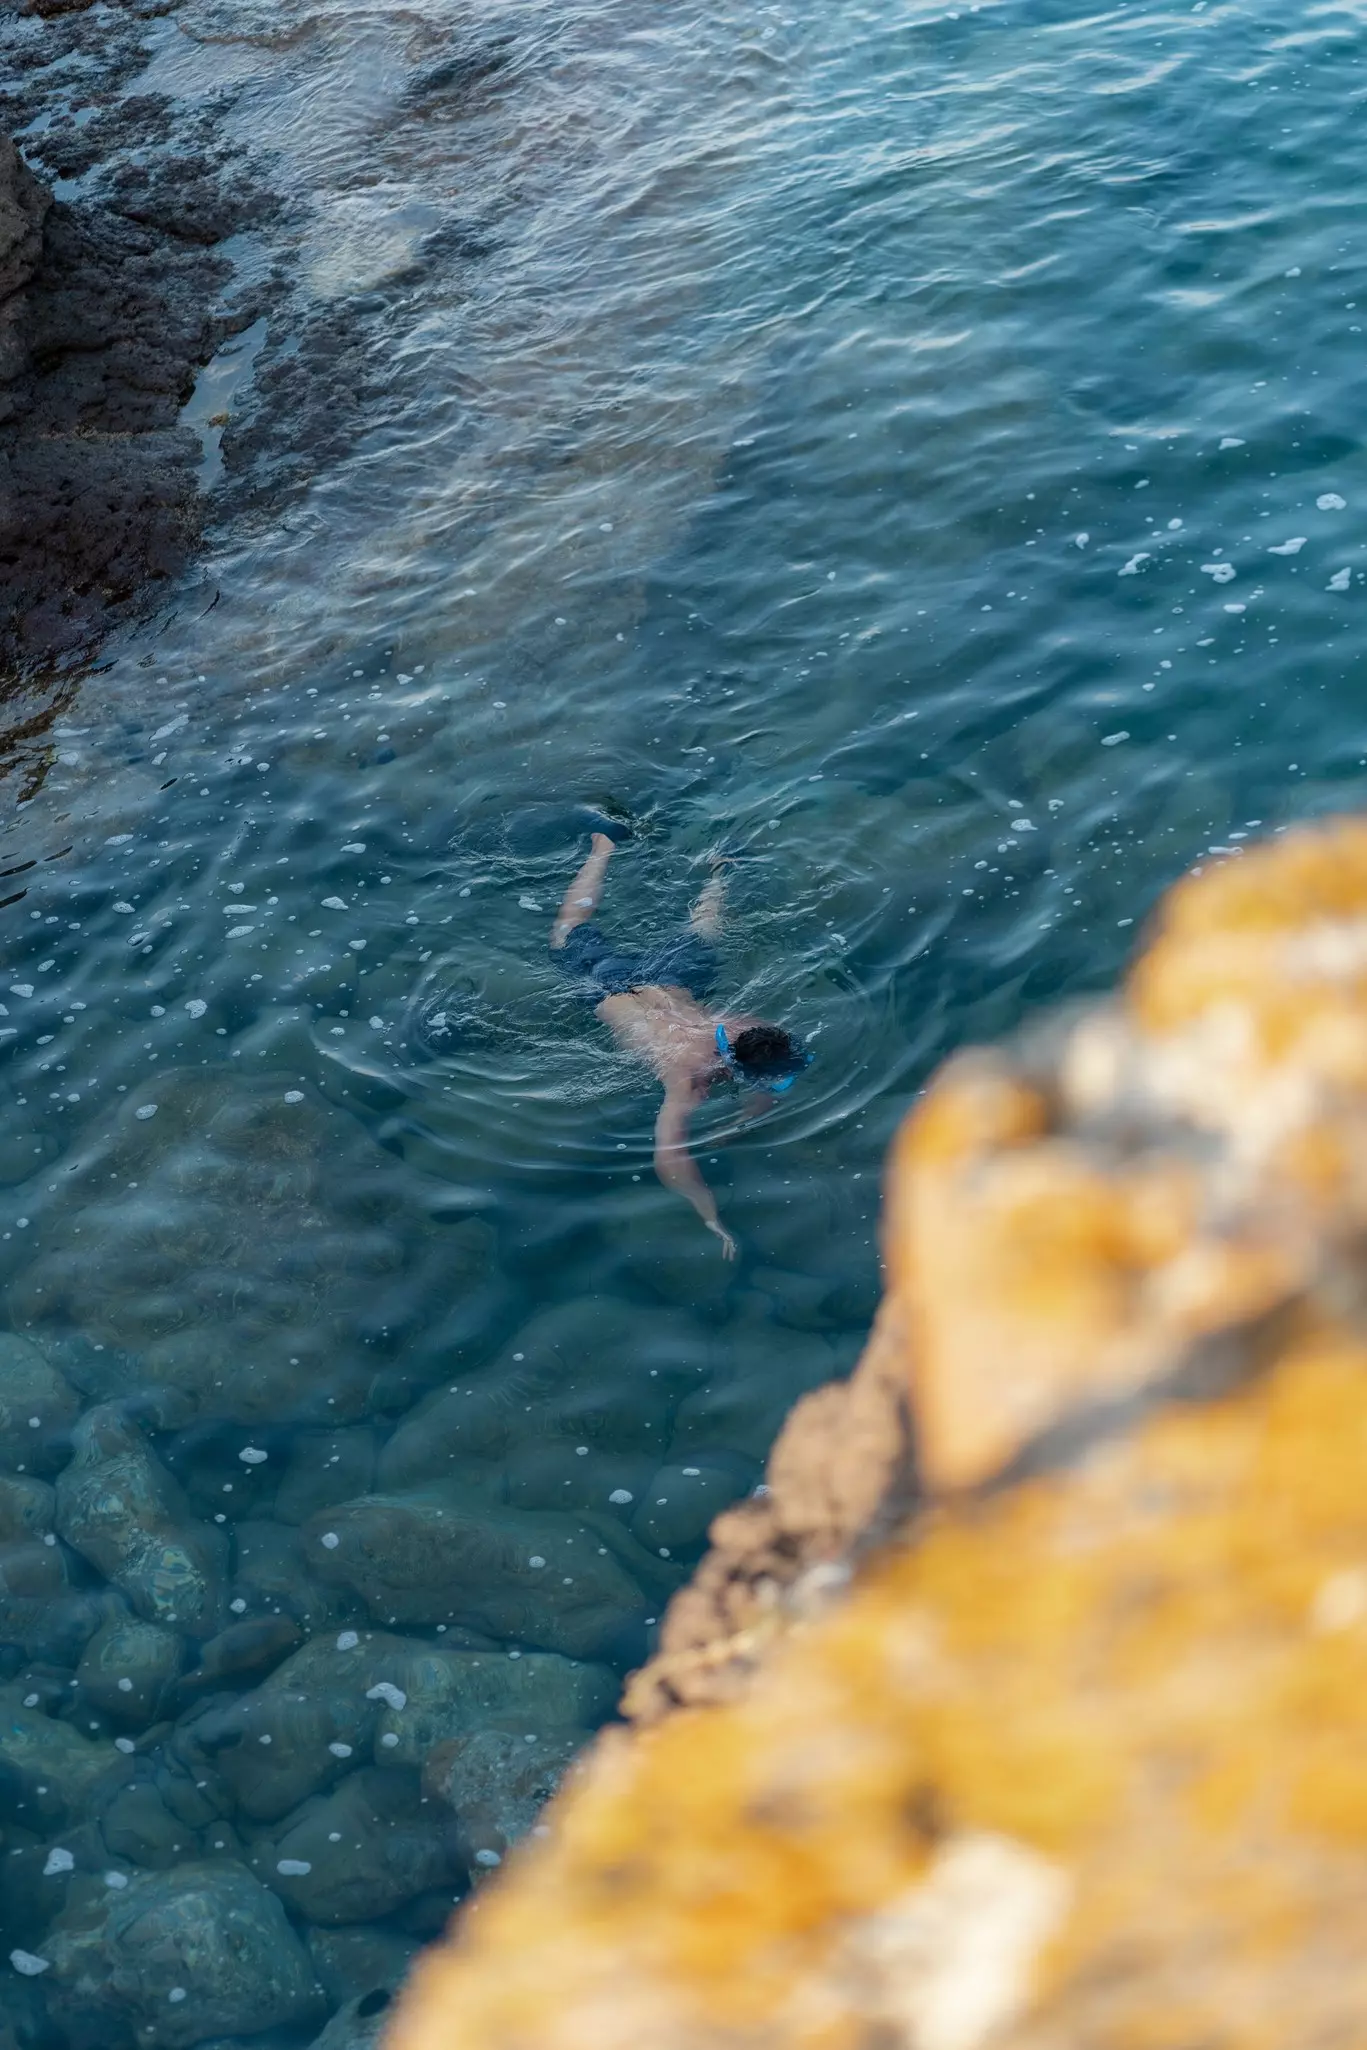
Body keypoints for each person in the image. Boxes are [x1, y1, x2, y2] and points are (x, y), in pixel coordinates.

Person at [550, 823, 809, 1257]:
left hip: (669, 982)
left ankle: (617, 850)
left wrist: (735, 1125)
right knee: (564, 934)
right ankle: (714, 868)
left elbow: (761, 1083)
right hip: (609, 991)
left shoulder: (747, 1028)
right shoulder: (686, 1077)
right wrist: (709, 1216)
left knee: (702, 931)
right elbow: (669, 1159)